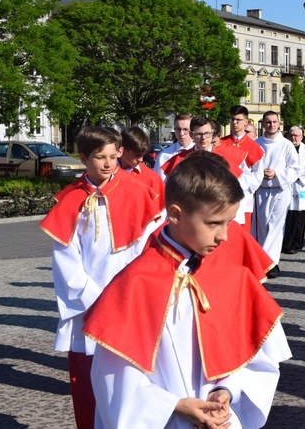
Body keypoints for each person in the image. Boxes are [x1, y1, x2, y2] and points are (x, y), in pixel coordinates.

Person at [83, 154, 292, 429]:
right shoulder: (134, 284)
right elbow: (113, 381)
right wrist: (175, 406)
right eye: (213, 223)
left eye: (228, 222)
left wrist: (228, 390)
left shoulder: (232, 276)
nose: (224, 236)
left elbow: (258, 360)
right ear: (176, 214)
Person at [40, 126, 163, 428]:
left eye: (113, 156)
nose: (108, 164)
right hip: (88, 309)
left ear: (120, 152)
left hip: (130, 303)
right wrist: (96, 301)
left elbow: (150, 248)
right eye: (99, 157)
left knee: (132, 384)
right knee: (87, 385)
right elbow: (66, 262)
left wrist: (134, 294)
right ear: (83, 158)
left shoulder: (139, 193)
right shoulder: (71, 201)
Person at [254, 111, 301, 278]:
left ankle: (269, 263)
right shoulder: (256, 143)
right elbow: (251, 166)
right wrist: (260, 175)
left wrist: (277, 174)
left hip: (280, 190)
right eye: (268, 122)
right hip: (261, 190)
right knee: (262, 226)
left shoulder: (286, 145)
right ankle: (261, 260)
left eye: (274, 122)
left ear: (279, 124)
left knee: (275, 226)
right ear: (263, 124)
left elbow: (295, 168)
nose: (271, 125)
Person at [222, 106, 265, 229]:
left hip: (244, 196)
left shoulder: (254, 147)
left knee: (242, 231)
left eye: (238, 120)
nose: (234, 123)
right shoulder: (222, 143)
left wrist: (246, 189)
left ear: (246, 122)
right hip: (223, 194)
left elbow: (258, 173)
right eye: (232, 119)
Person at [282, 127, 305, 255]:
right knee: (289, 216)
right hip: (288, 186)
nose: (294, 138)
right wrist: (290, 176)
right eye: (291, 135)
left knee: (301, 215)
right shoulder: (284, 149)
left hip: (302, 186)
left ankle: (298, 242)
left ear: (302, 137)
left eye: (297, 136)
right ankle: (287, 243)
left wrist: (297, 176)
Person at [119, 127, 165, 211]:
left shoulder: (152, 178)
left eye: (143, 155)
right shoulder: (104, 174)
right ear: (122, 150)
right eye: (137, 155)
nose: (141, 160)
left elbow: (161, 213)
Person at [154, 113, 195, 181]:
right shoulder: (164, 155)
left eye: (185, 129)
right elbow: (159, 184)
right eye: (178, 129)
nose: (181, 134)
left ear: (192, 130)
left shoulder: (200, 153)